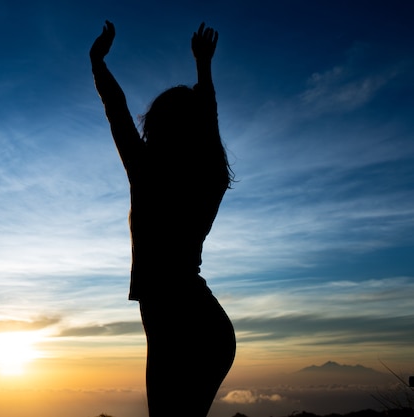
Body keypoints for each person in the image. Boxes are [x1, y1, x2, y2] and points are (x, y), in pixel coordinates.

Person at [90, 20, 236, 416]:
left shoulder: (147, 171)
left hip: (176, 319)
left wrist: (98, 63)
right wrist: (203, 69)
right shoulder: (209, 176)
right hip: (204, 325)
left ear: (157, 125)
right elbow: (209, 118)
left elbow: (117, 112)